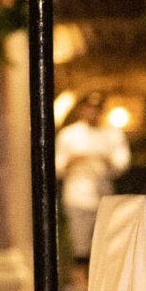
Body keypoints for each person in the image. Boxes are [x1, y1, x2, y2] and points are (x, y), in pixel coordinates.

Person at [55, 95, 130, 275]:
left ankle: (103, 279)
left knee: (104, 239)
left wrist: (104, 159)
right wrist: (74, 160)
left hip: (103, 194)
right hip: (77, 194)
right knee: (80, 240)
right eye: (88, 109)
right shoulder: (69, 134)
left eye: (96, 109)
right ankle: (81, 281)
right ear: (81, 110)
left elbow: (122, 163)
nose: (92, 113)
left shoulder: (112, 134)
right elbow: (57, 165)